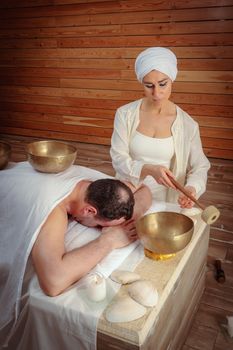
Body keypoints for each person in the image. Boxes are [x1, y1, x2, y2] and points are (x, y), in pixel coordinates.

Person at [0, 161, 152, 344]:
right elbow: (53, 283)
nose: (98, 229)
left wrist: (135, 216)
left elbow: (144, 189)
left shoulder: (96, 186)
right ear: (89, 210)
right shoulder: (53, 212)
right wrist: (108, 240)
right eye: (99, 225)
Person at [110, 47, 210, 208]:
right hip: (128, 193)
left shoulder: (187, 124)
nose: (157, 93)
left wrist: (192, 188)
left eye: (163, 84)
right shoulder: (125, 114)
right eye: (149, 85)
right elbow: (118, 158)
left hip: (166, 200)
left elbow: (200, 166)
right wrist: (148, 169)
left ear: (172, 79)